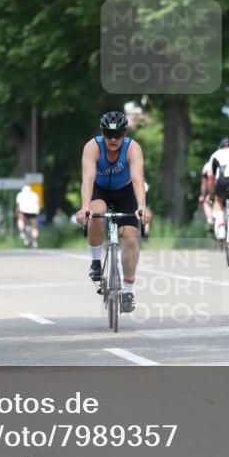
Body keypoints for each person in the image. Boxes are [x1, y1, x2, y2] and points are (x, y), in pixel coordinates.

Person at [75, 110, 151, 314]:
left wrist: (141, 207)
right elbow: (88, 178)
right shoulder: (93, 147)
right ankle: (96, 262)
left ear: (125, 134)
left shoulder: (132, 148)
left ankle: (128, 289)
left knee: (131, 237)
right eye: (109, 134)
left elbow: (137, 178)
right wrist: (85, 207)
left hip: (125, 191)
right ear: (102, 133)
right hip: (100, 190)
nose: (113, 139)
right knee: (96, 212)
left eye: (118, 134)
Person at [199, 159, 214, 233]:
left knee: (205, 201)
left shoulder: (207, 166)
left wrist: (202, 196)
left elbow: (204, 183)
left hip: (212, 189)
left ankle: (210, 219)